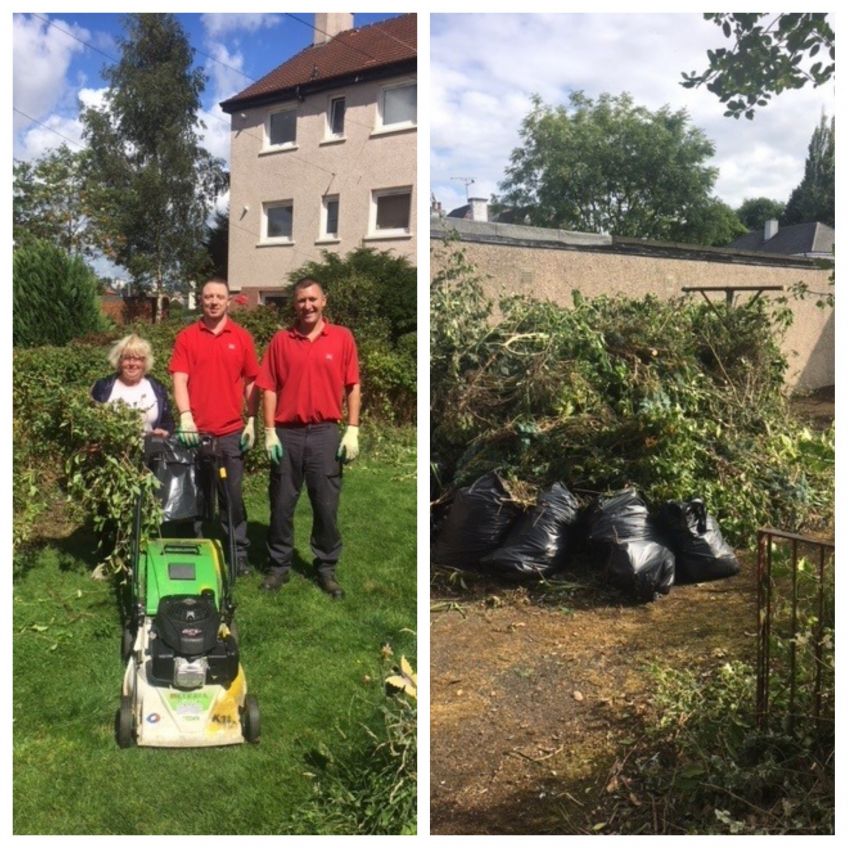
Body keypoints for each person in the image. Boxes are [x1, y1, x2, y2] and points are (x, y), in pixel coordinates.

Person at [256, 276, 361, 599]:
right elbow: (268, 388)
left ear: (323, 301)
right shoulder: (280, 341)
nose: (307, 306)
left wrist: (353, 429)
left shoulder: (342, 338)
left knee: (326, 506)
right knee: (282, 505)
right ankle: (279, 566)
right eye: (301, 300)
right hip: (287, 434)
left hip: (325, 435)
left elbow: (352, 385)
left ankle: (326, 567)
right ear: (294, 304)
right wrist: (269, 431)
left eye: (313, 299)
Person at [168, 277, 260, 576]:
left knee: (231, 497)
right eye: (208, 296)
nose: (214, 301)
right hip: (195, 434)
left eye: (219, 296)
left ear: (228, 300)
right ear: (201, 299)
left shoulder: (242, 337)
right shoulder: (187, 337)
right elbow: (179, 378)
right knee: (195, 496)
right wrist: (185, 416)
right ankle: (194, 551)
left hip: (231, 432)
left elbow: (251, 381)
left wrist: (252, 420)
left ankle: (237, 553)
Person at [91, 333, 174, 435]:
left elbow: (167, 420)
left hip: (149, 449)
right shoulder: (103, 386)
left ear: (145, 362)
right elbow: (91, 421)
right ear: (119, 361)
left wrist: (164, 430)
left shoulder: (157, 387)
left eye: (138, 359)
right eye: (127, 358)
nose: (132, 363)